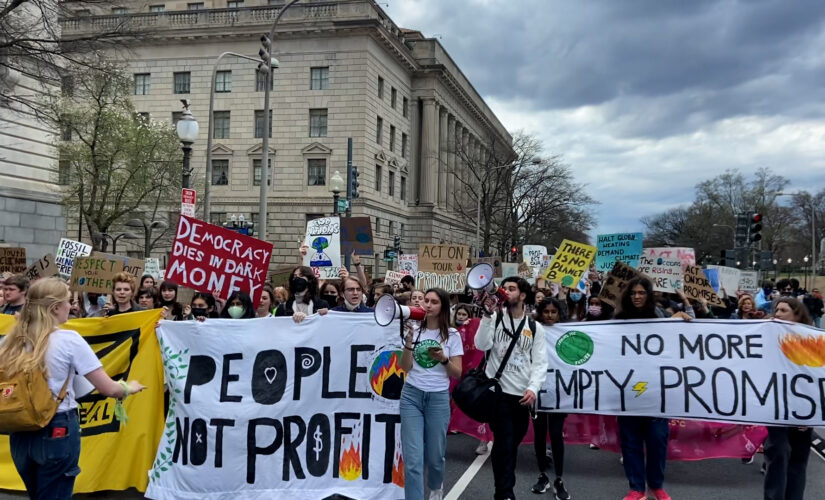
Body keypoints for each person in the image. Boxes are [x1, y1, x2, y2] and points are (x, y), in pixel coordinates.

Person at [0, 277, 146, 499]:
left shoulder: (10, 340)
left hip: (19, 431)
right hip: (56, 428)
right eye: (68, 301)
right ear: (55, 307)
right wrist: (130, 387)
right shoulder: (69, 340)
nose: (71, 306)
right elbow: (109, 389)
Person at [614, 277, 691, 500]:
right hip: (629, 390)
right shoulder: (619, 319)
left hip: (657, 392)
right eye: (633, 293)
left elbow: (686, 335)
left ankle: (656, 484)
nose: (637, 297)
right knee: (630, 443)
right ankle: (637, 488)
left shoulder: (662, 316)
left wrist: (685, 317)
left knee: (658, 440)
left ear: (648, 295)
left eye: (641, 293)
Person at [476, 277, 548, 500]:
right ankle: (505, 492)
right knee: (505, 444)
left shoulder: (535, 328)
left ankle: (505, 486)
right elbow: (481, 345)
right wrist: (487, 317)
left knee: (511, 444)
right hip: (499, 395)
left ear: (523, 296)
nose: (505, 292)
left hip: (522, 398)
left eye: (511, 289)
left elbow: (540, 362)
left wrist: (533, 388)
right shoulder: (495, 318)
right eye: (504, 288)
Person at [400, 288, 463, 500]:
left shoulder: (452, 335)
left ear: (443, 306)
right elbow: (405, 368)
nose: (427, 305)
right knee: (413, 460)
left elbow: (457, 373)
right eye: (425, 301)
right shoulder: (415, 329)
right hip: (411, 397)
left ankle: (436, 486)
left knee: (436, 457)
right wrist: (408, 342)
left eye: (434, 302)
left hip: (437, 399)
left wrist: (443, 359)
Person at [764, 297, 814, 500]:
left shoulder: (812, 340)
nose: (777, 313)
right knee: (778, 453)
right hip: (776, 408)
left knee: (798, 461)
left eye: (783, 310)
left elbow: (817, 377)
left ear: (797, 314)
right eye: (776, 310)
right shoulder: (766, 335)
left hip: (804, 409)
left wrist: (810, 414)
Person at [530, 297, 571, 499]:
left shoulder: (566, 332)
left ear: (559, 313)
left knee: (555, 434)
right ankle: (543, 475)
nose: (549, 315)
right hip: (537, 390)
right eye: (546, 311)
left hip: (558, 391)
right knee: (539, 434)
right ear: (540, 312)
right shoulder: (533, 330)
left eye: (553, 312)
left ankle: (559, 478)